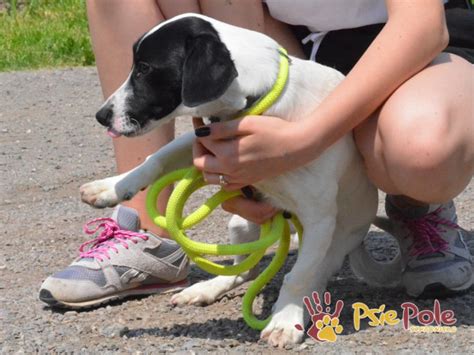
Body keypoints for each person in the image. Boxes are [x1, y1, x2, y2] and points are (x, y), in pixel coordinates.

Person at [39, 0, 473, 308]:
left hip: (417, 47)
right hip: (302, 47)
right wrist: (229, 153)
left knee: (422, 150)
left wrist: (302, 141)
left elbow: (422, 27)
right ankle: (146, 233)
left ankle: (418, 206)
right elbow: (223, 31)